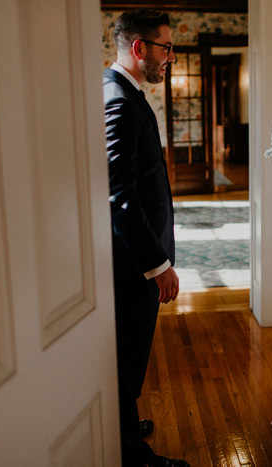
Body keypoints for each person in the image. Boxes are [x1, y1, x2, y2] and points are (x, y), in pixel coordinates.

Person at [104, 10, 188, 467]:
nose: (170, 58)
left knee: (128, 359)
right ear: (139, 48)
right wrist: (158, 266)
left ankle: (120, 424)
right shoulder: (118, 99)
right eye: (166, 47)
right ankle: (131, 456)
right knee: (127, 363)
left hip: (132, 256)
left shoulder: (123, 91)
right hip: (131, 263)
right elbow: (119, 193)